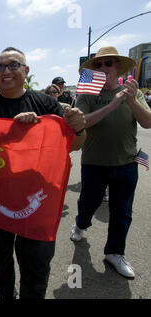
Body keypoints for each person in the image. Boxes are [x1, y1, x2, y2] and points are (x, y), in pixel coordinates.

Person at [0, 47, 86, 299]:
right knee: (0, 263)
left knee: (36, 265)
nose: (5, 71)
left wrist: (78, 128)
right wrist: (12, 131)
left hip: (39, 202)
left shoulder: (46, 104)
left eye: (13, 65)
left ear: (26, 71)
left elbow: (75, 145)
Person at [70, 46, 151, 279]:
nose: (103, 68)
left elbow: (147, 123)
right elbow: (81, 123)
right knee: (88, 202)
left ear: (117, 67)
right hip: (94, 162)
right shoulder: (86, 94)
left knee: (122, 211)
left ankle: (115, 252)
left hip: (126, 163)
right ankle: (80, 225)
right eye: (98, 64)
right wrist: (112, 105)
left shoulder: (131, 92)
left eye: (108, 63)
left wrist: (131, 101)